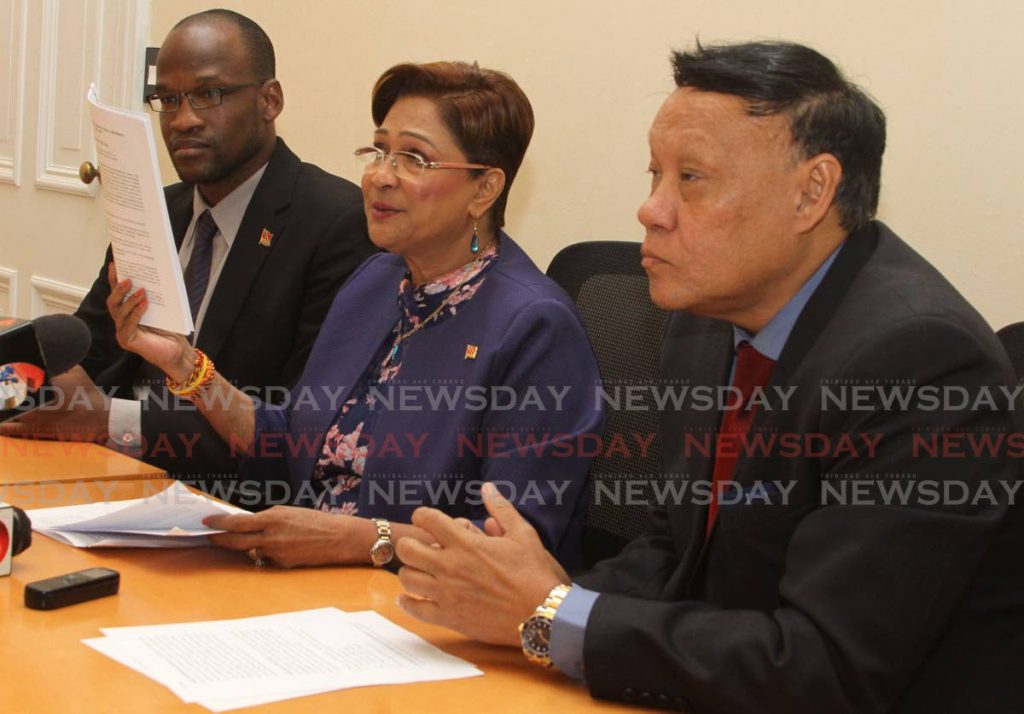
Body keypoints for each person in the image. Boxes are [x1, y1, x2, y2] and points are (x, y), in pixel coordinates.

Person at [392, 41, 1024, 713]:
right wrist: (544, 597)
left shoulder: (919, 360)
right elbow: (677, 544)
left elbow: (826, 665)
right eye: (653, 175)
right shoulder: (706, 317)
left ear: (812, 191)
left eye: (690, 178)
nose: (651, 210)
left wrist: (558, 616)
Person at [106, 61, 604, 570]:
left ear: (484, 189)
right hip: (307, 586)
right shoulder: (375, 281)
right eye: (379, 151)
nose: (379, 176)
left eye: (414, 158)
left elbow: (512, 549)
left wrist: (354, 540)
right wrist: (185, 365)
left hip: (422, 613)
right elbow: (287, 440)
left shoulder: (535, 328)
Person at [0, 10, 375, 502]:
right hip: (106, 475)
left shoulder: (336, 223)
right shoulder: (160, 209)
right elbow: (88, 351)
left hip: (224, 498)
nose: (183, 120)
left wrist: (110, 420)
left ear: (270, 100)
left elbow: (298, 426)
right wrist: (21, 377)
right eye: (168, 99)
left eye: (208, 94)